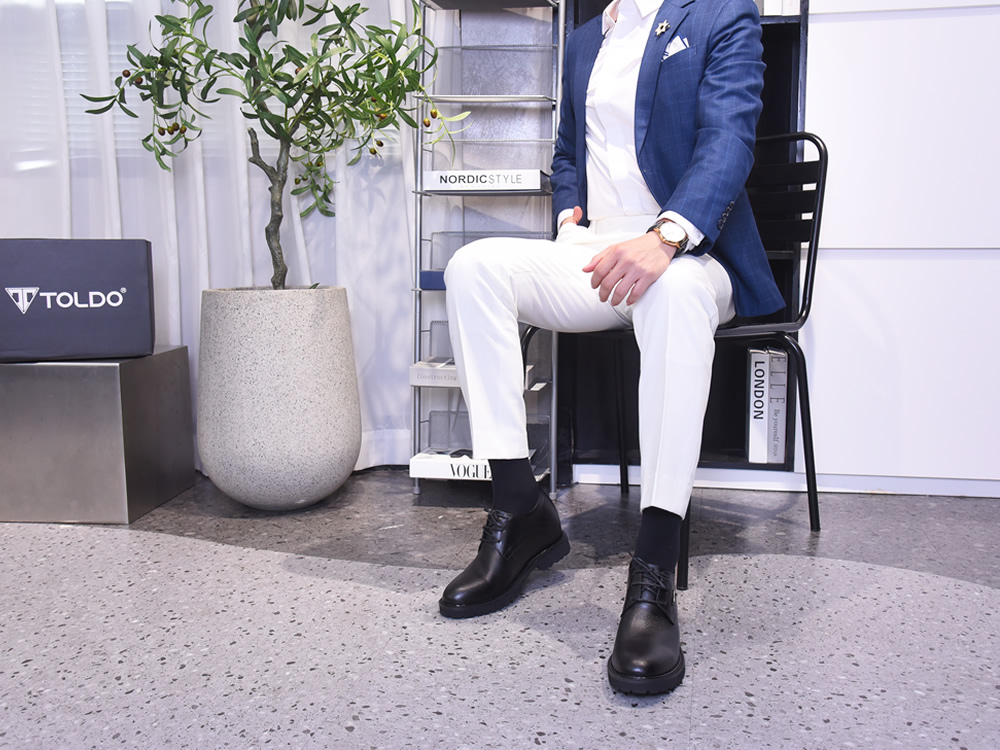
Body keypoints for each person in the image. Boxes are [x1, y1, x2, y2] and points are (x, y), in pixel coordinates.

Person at [437, 0, 784, 696]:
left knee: (675, 294)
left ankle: (653, 570)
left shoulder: (721, 13)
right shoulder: (586, 37)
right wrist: (569, 212)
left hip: (688, 248)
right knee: (472, 268)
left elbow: (728, 140)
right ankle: (520, 510)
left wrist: (665, 237)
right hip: (594, 249)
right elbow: (569, 149)